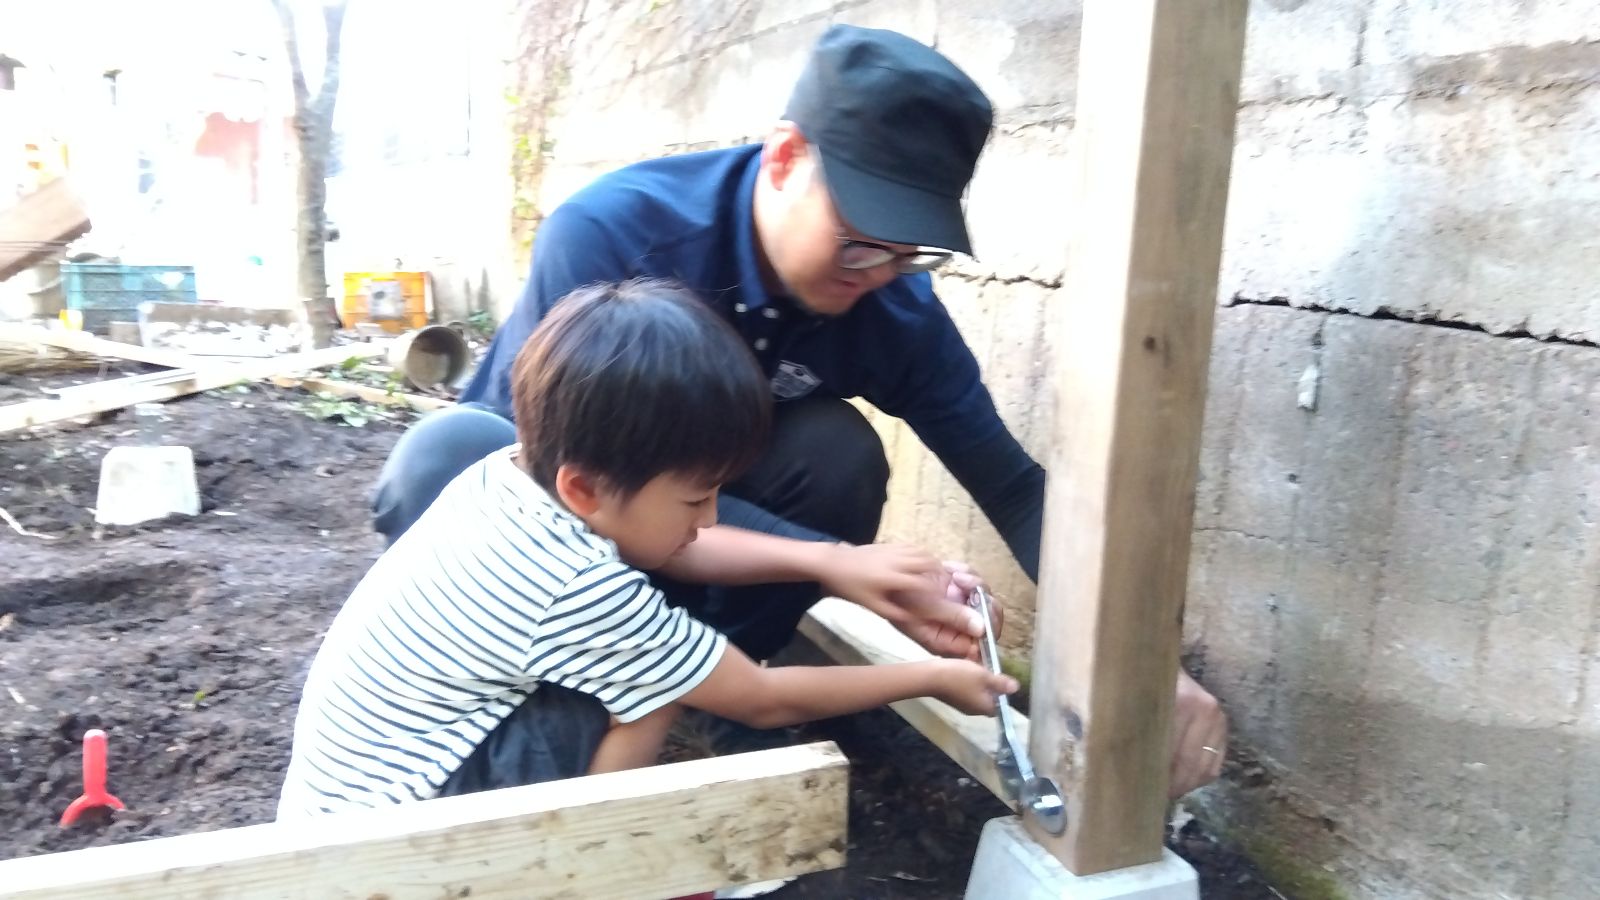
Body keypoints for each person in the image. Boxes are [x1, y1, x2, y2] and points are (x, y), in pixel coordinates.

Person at [370, 24, 1227, 796]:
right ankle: (527, 703)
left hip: (683, 537)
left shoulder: (892, 308)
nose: (875, 272)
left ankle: (717, 693)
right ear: (784, 160)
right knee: (443, 459)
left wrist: (1141, 655)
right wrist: (833, 561)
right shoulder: (618, 235)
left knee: (835, 451)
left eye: (908, 252)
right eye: (858, 239)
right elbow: (531, 476)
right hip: (561, 519)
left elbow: (1015, 488)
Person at [278, 279, 1016, 822]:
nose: (709, 517)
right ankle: (590, 859)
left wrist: (827, 561)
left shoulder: (504, 478)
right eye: (696, 497)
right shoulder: (576, 587)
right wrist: (929, 677)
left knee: (650, 663)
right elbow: (760, 698)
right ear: (585, 489)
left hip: (349, 799)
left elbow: (679, 549)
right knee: (658, 683)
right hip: (398, 836)